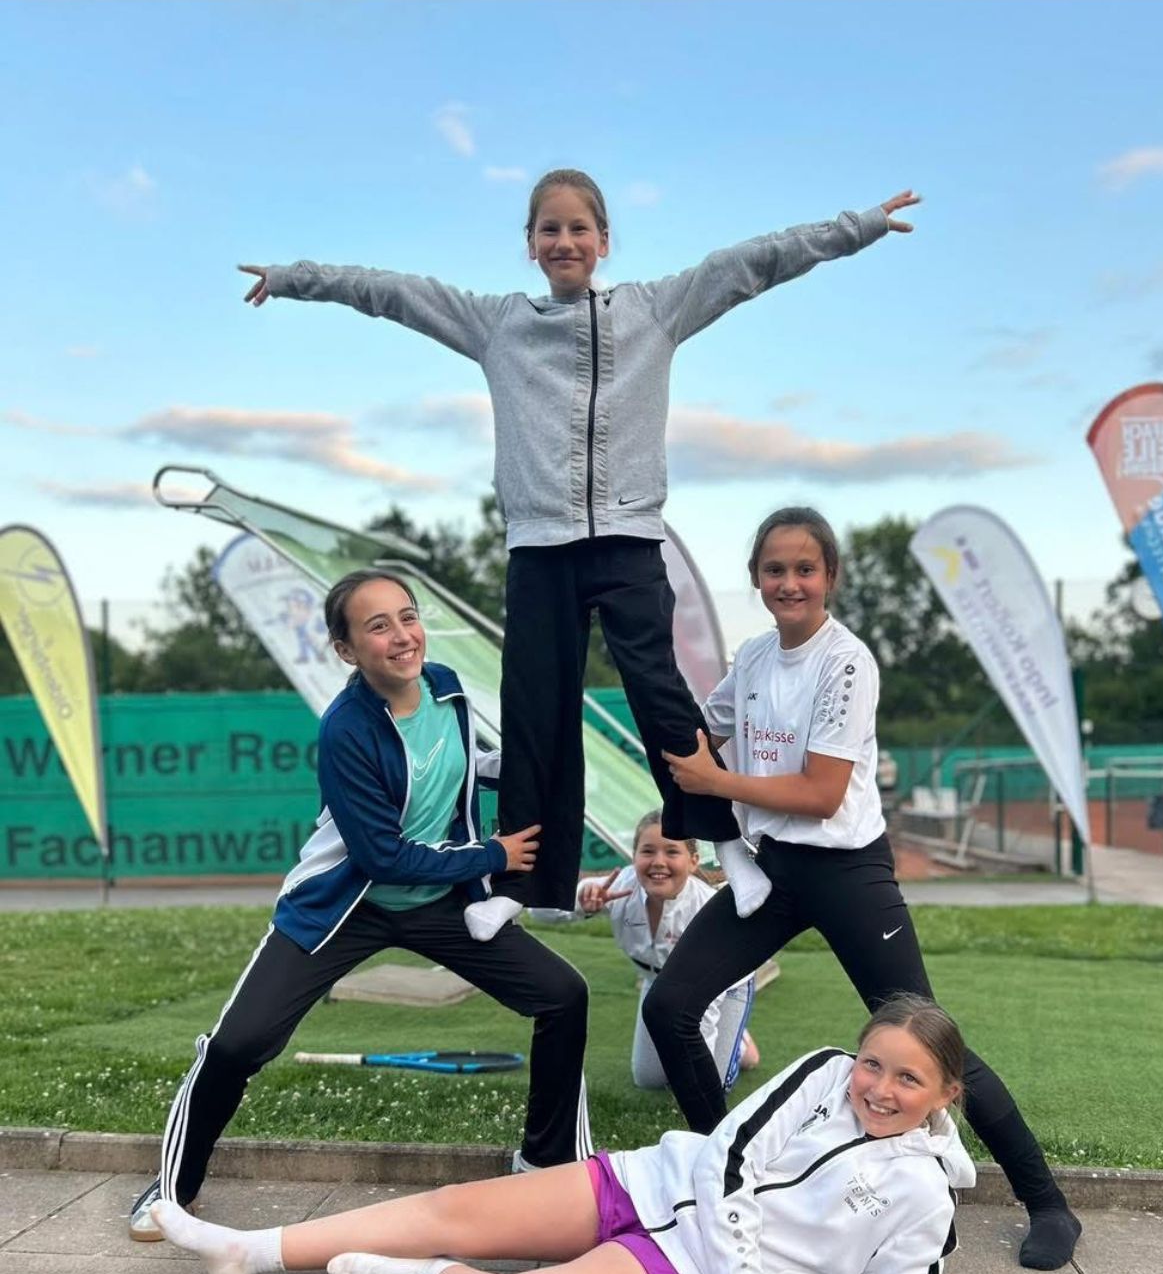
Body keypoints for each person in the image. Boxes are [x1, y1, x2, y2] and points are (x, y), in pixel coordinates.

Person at [238, 171, 920, 937]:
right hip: (540, 547)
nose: (565, 242)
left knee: (659, 692)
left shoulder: (655, 310)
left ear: (603, 240)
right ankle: (525, 884)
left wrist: (859, 226)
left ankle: (726, 846)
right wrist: (294, 278)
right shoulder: (498, 324)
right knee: (537, 709)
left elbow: (755, 263)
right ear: (531, 245)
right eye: (549, 230)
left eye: (578, 229)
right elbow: (391, 293)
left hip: (627, 540)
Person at [644, 506, 1082, 1272]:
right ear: (756, 579)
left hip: (847, 871)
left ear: (831, 577)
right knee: (670, 1006)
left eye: (804, 569)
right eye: (775, 570)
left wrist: (716, 781)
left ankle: (1048, 1203)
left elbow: (820, 793)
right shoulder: (754, 657)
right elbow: (702, 732)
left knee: (930, 1041)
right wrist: (650, 686)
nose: (789, 583)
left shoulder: (847, 663)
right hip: (774, 871)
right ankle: (728, 1180)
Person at [150, 994, 972, 1274]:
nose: (878, 1088)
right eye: (874, 1063)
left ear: (946, 1094)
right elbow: (729, 1159)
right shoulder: (824, 1073)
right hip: (653, 1181)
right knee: (455, 1209)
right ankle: (249, 1250)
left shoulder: (926, 1198)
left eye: (908, 1079)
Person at [128, 571, 591, 1240]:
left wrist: (520, 767)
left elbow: (457, 765)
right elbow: (383, 857)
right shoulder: (345, 729)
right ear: (346, 650)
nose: (402, 636)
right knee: (237, 1044)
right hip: (346, 904)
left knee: (563, 995)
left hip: (439, 901)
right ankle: (173, 1189)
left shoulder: (446, 687)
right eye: (378, 626)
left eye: (408, 616)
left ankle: (546, 1163)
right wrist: (493, 856)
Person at [575, 808, 759, 1095]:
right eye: (648, 851)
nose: (658, 862)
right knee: (649, 1079)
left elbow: (706, 1010)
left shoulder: (705, 910)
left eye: (672, 852)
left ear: (693, 861)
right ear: (634, 856)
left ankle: (740, 1042)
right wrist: (582, 899)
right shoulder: (620, 887)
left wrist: (697, 1089)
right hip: (659, 982)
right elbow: (543, 912)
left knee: (712, 1084)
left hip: (723, 987)